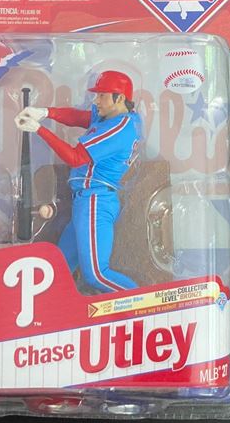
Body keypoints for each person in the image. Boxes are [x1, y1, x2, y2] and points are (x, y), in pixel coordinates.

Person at [15, 70, 140, 292]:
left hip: (96, 200)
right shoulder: (112, 116)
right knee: (60, 269)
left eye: (102, 95)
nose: (96, 100)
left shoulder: (120, 128)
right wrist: (46, 112)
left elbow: (75, 158)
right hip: (86, 201)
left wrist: (39, 130)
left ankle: (141, 302)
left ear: (119, 98)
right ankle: (54, 309)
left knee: (96, 275)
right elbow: (80, 118)